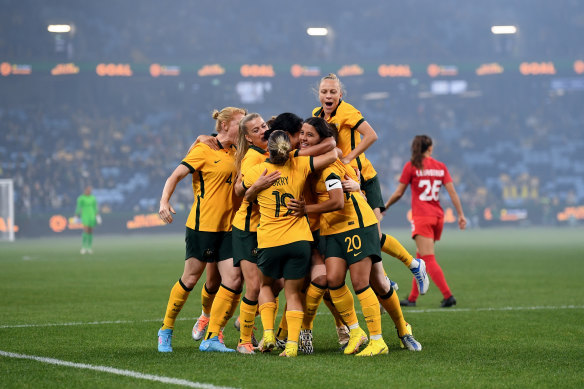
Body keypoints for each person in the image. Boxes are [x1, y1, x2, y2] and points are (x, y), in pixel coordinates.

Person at [291, 117, 422, 356]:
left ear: (322, 139)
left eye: (309, 135)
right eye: (302, 133)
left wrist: (306, 209)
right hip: (331, 229)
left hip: (355, 224)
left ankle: (394, 333)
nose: (303, 139)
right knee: (334, 280)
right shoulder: (310, 160)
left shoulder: (328, 165)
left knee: (372, 283)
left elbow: (337, 199)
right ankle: (355, 332)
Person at [312, 73, 430, 297]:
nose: (328, 95)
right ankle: (389, 276)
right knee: (369, 237)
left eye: (333, 92)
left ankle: (414, 265)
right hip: (343, 178)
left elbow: (371, 135)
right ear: (318, 94)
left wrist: (348, 157)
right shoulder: (317, 115)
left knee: (372, 234)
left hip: (363, 177)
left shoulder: (347, 111)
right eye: (324, 91)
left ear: (340, 94)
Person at [156, 107, 246, 353]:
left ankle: (212, 337)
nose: (245, 127)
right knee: (191, 279)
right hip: (203, 226)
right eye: (241, 123)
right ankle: (165, 330)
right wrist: (164, 201)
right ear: (225, 124)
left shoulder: (240, 150)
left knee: (234, 280)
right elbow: (174, 176)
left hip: (230, 227)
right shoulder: (203, 150)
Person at [243, 130, 337, 357]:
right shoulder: (301, 164)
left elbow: (243, 191)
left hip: (269, 240)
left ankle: (267, 334)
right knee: (294, 294)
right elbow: (334, 154)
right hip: (298, 239)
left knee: (266, 287)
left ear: (269, 149)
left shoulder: (257, 171)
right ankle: (293, 345)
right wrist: (299, 152)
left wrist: (256, 186)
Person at [383, 135, 467, 308]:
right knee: (420, 256)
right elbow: (452, 192)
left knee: (427, 259)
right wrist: (460, 214)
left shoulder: (411, 166)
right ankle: (413, 298)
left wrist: (386, 206)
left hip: (422, 217)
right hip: (438, 216)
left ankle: (448, 296)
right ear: (429, 148)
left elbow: (399, 193)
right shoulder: (440, 167)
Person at [75, 185, 99, 254]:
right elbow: (78, 207)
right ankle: (83, 247)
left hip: (92, 215)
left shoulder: (93, 198)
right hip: (85, 215)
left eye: (90, 190)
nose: (89, 191)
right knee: (86, 230)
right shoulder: (81, 198)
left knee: (90, 231)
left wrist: (97, 215)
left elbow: (95, 207)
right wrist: (76, 214)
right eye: (88, 190)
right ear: (85, 190)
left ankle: (89, 247)